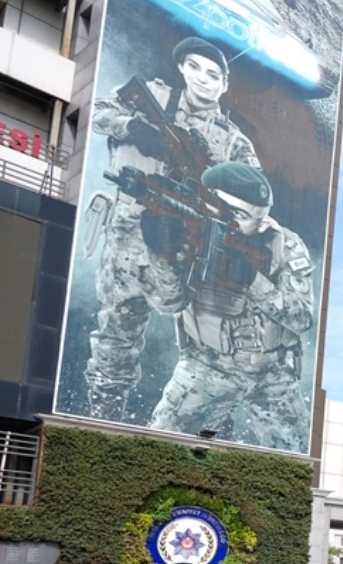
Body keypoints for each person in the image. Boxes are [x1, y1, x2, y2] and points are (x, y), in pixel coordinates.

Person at [82, 38, 263, 423]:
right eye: (194, 67)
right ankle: (102, 418)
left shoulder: (235, 142)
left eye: (214, 74)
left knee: (205, 343)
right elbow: (94, 111)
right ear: (181, 67)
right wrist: (131, 126)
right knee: (116, 330)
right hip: (126, 236)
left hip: (182, 248)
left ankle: (201, 422)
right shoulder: (152, 98)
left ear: (225, 85)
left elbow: (254, 202)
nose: (203, 79)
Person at [144, 161, 316, 451]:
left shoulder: (284, 244)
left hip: (271, 371)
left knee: (295, 463)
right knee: (157, 447)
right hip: (207, 363)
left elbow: (301, 318)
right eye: (216, 205)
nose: (221, 217)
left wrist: (253, 281)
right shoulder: (188, 232)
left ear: (262, 222)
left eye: (238, 215)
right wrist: (161, 253)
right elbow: (169, 303)